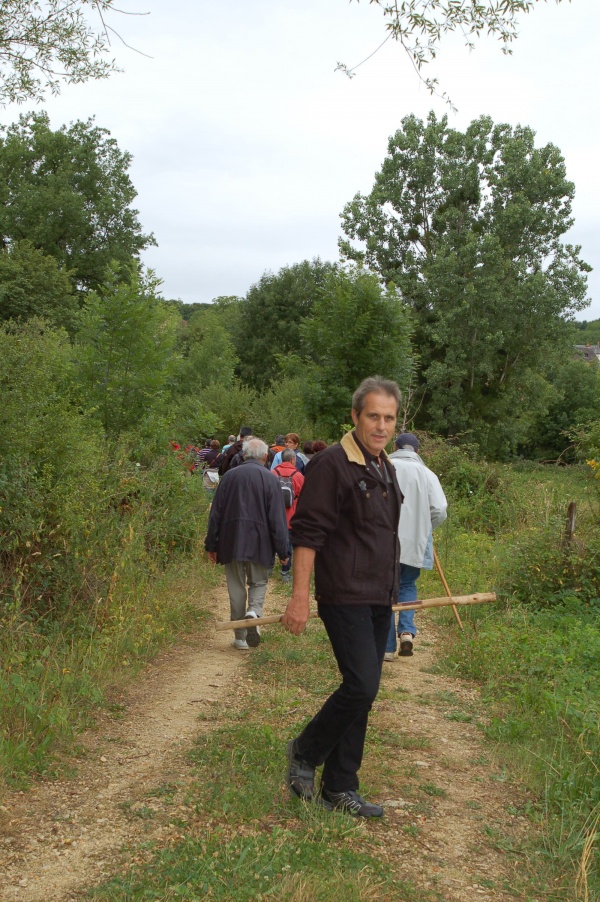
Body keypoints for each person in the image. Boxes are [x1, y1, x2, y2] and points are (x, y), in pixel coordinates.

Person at [282, 376, 403, 818]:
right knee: (361, 684)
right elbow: (308, 533)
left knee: (365, 692)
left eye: (388, 418)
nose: (381, 425)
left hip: (378, 596)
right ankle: (305, 750)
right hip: (344, 595)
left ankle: (340, 787)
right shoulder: (332, 464)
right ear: (355, 417)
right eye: (373, 416)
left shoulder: (383, 465)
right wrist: (299, 597)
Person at [206, 437, 290, 649]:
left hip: (231, 540)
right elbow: (277, 519)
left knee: (236, 589)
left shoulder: (229, 477)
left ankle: (240, 637)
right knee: (259, 583)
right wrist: (283, 549)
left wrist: (212, 545)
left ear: (243, 456)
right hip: (260, 543)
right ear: (265, 457)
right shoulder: (271, 479)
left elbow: (216, 513)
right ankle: (254, 611)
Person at [385, 433, 448, 661]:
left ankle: (387, 647)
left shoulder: (384, 466)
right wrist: (426, 528)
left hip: (384, 540)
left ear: (395, 446)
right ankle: (407, 632)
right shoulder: (427, 474)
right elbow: (440, 510)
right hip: (414, 542)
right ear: (417, 451)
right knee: (407, 584)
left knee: (384, 590)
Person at [272, 448, 305, 582]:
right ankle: (285, 573)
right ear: (293, 459)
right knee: (289, 544)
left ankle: (268, 567)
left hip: (274, 514)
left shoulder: (273, 473)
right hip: (292, 515)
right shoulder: (298, 475)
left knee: (272, 541)